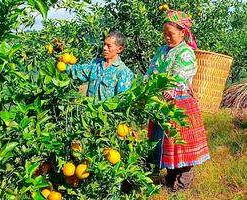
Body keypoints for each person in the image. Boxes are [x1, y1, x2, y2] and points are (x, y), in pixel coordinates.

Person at [145, 10, 210, 192]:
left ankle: (183, 183)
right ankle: (170, 178)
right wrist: (144, 88)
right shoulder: (162, 51)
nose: (166, 37)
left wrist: (168, 90)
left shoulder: (186, 53)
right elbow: (151, 72)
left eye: (170, 34)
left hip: (179, 105)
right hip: (161, 104)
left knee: (180, 144)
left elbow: (180, 77)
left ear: (182, 32)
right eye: (164, 34)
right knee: (166, 143)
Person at [66, 31, 134, 101]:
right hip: (89, 110)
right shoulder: (96, 64)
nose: (104, 48)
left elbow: (122, 100)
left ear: (119, 49)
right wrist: (60, 61)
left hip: (105, 112)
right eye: (104, 44)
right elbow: (77, 70)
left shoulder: (123, 72)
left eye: (109, 46)